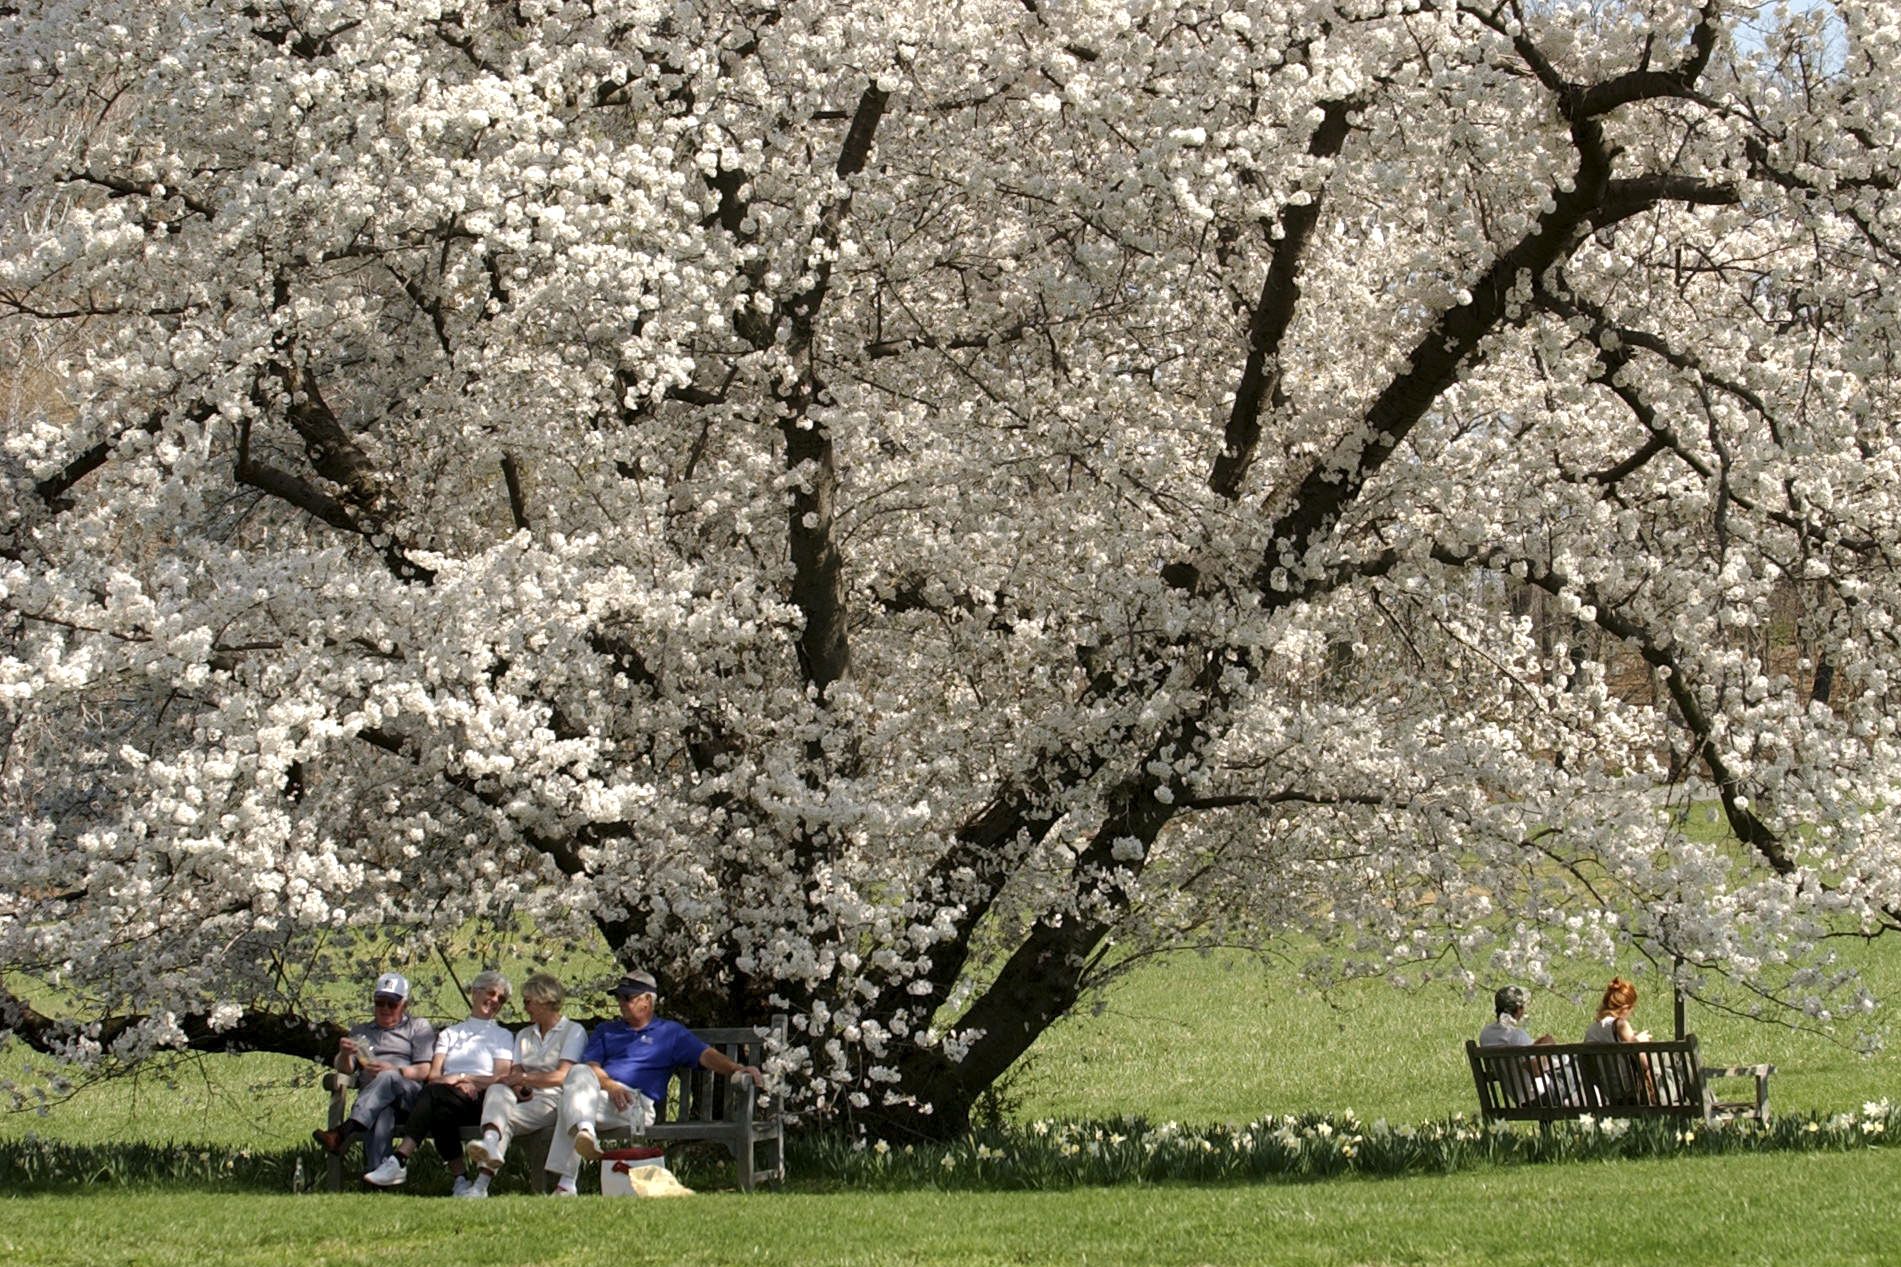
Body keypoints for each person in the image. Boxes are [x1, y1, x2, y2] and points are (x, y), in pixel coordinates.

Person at [543, 970, 765, 1196]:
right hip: (600, 1095)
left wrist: (737, 1069)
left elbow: (706, 1055)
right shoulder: (606, 1030)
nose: (620, 1003)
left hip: (636, 1104)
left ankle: (567, 1181)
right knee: (578, 1073)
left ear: (647, 1000)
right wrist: (610, 1084)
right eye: (618, 997)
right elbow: (590, 1066)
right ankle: (585, 1134)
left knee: (569, 1105)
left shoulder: (669, 1033)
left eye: (627, 997)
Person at [364, 970, 516, 1193]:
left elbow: (501, 1077)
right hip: (448, 1097)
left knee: (433, 1096)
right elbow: (434, 1076)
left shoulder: (502, 1036)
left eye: (501, 999)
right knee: (439, 1109)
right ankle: (461, 1181)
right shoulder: (450, 1034)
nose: (495, 1000)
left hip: (482, 1100)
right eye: (491, 993)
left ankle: (399, 1159)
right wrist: (456, 1084)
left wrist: (467, 1079)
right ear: (475, 992)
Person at [460, 971, 587, 1198]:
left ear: (543, 1001)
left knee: (503, 1124)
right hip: (525, 1096)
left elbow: (563, 1076)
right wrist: (520, 1087)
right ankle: (489, 1143)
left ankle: (480, 1185)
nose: (525, 1007)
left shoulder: (573, 1031)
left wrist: (524, 1080)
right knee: (498, 1089)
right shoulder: (525, 1035)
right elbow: (516, 1071)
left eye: (528, 1002)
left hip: (553, 1099)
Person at [312, 971, 436, 1173]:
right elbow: (346, 1069)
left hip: (409, 1097)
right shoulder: (361, 1031)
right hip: (375, 1103)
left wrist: (396, 1070)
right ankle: (377, 1177)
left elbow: (425, 1070)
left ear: (404, 1005)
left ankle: (345, 1130)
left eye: (392, 1004)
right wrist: (344, 1053)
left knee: (388, 1076)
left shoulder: (417, 1027)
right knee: (382, 1114)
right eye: (380, 1002)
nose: (385, 1008)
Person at [1477, 985, 1561, 1104]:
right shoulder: (1516, 1035)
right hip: (1540, 1096)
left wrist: (1538, 1044)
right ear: (1518, 1009)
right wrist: (1548, 1045)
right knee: (1576, 1070)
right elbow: (1536, 1070)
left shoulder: (1486, 1034)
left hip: (1519, 1097)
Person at [1583, 976, 1654, 1104]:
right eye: (1632, 1009)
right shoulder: (1620, 1025)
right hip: (1631, 1093)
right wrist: (1639, 1042)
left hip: (1609, 1094)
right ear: (1625, 1008)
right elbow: (1645, 1064)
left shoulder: (1591, 1030)